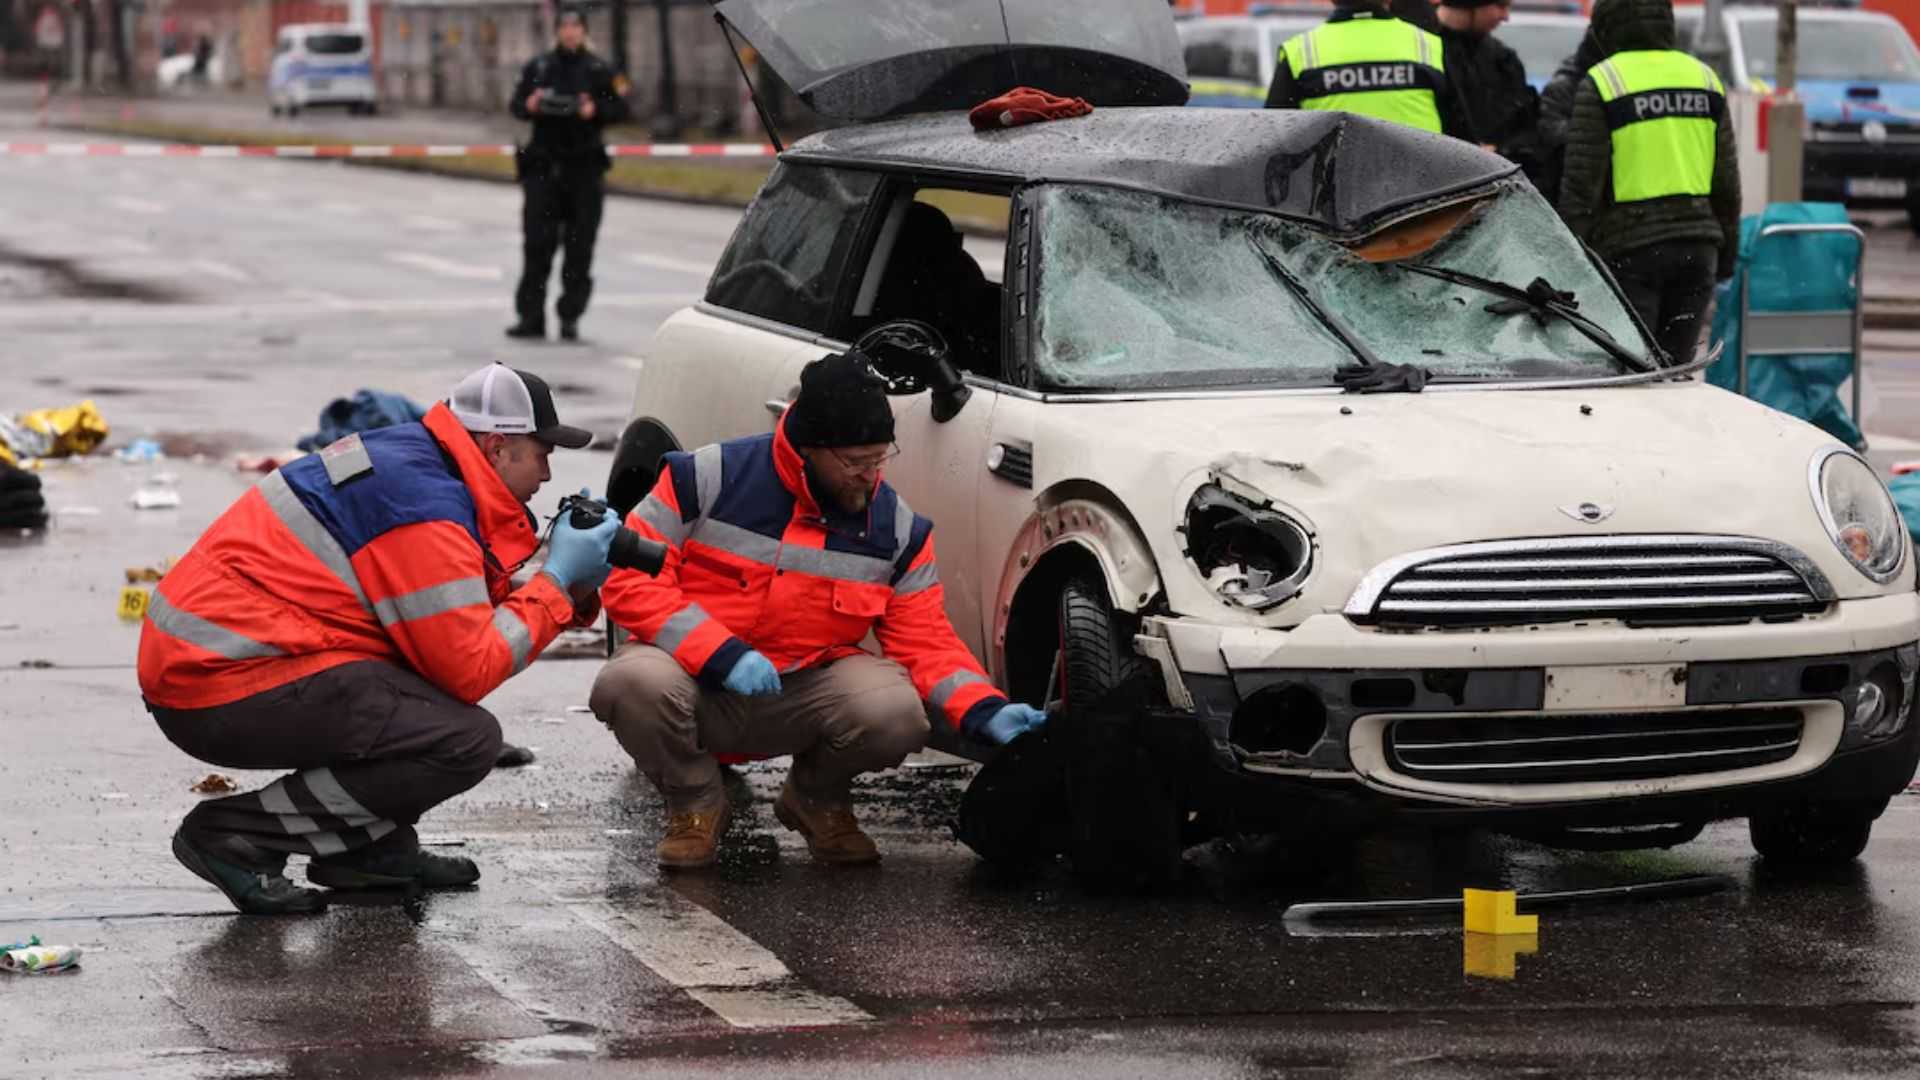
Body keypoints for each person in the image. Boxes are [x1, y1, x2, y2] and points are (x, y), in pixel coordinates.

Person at [139, 364, 619, 915]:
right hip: (218, 680)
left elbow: (444, 606)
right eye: (542, 452)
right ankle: (235, 835)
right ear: (496, 447)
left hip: (219, 659)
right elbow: (468, 666)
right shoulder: (422, 507)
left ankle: (369, 852)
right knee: (460, 739)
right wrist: (555, 583)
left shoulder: (419, 464)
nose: (549, 471)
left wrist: (569, 585)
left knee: (413, 700)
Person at [589, 351, 1050, 870]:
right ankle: (695, 802)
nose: (871, 477)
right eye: (856, 463)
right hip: (699, 682)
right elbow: (629, 581)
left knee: (896, 714)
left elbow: (927, 643)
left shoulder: (896, 530)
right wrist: (721, 654)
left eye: (881, 459)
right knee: (629, 684)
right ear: (809, 450)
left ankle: (815, 798)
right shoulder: (704, 479)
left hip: (802, 695)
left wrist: (986, 708)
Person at [1558, 0, 1739, 364]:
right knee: (1676, 374)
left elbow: (1582, 187)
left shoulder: (1604, 81)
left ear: (1605, 27)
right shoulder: (1703, 78)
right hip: (1697, 249)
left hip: (1632, 252)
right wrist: (1727, 257)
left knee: (1633, 376)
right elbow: (1726, 184)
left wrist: (1568, 264)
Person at [505, 5, 630, 343]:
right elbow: (515, 105)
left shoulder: (598, 69)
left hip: (583, 169)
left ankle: (570, 316)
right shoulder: (540, 67)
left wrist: (594, 109)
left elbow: (621, 109)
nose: (570, 32)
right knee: (537, 244)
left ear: (584, 31)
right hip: (544, 167)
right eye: (565, 26)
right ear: (557, 30)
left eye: (576, 27)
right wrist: (531, 104)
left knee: (580, 247)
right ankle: (531, 316)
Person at [1266, 0, 1473, 140]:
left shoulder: (1300, 51)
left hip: (1339, 198)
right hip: (1426, 196)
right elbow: (1462, 138)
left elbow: (1274, 141)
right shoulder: (1430, 46)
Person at [1431, 0, 1544, 183]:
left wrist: (1501, 152)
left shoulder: (1503, 59)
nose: (1505, 17)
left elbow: (1529, 129)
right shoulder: (1424, 54)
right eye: (1500, 6)